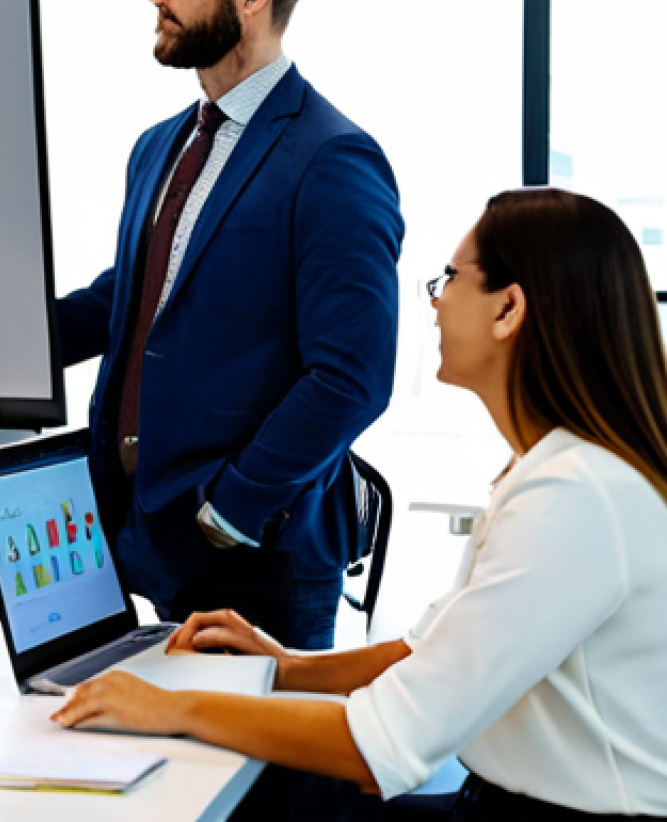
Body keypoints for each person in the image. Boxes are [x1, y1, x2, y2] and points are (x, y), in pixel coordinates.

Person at [54, 188, 667, 820]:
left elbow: (386, 749)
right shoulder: (561, 473)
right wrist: (287, 667)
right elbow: (423, 653)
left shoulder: (574, 499)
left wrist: (170, 707)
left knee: (249, 799)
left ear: (509, 308)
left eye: (450, 278)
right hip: (502, 802)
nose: (433, 301)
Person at [56, 0, 403, 651]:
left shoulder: (333, 159)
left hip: (256, 553)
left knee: (261, 774)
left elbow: (352, 374)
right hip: (145, 538)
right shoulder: (159, 145)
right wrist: (6, 342)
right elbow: (141, 298)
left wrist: (236, 507)